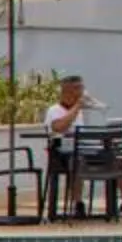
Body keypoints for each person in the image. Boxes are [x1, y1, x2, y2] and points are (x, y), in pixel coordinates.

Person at [41, 75, 98, 216]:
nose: (81, 91)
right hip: (60, 152)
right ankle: (78, 203)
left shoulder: (79, 112)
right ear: (66, 90)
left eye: (81, 88)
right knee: (77, 160)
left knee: (117, 158)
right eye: (77, 88)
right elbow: (59, 128)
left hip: (81, 148)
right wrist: (77, 106)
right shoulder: (54, 110)